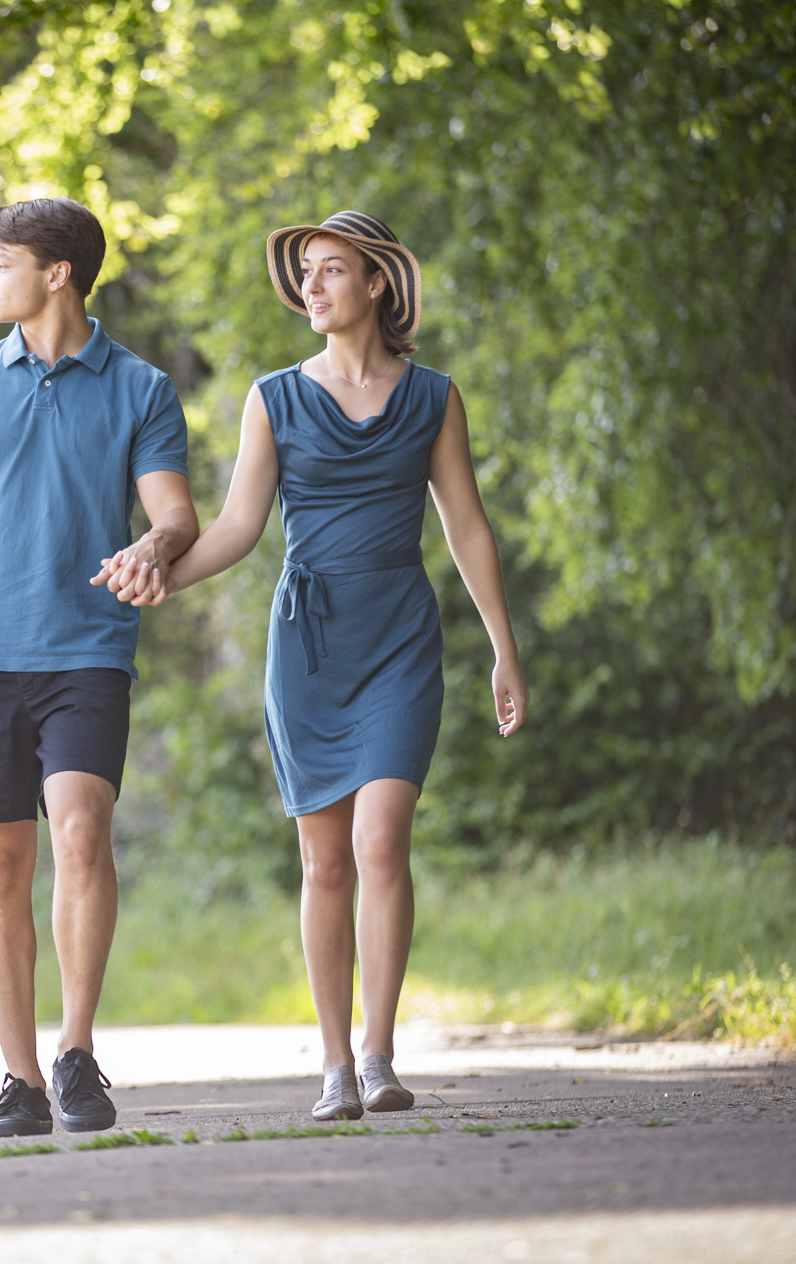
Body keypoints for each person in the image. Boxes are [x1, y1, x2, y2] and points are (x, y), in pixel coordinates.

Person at [94, 211, 526, 1121]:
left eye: (333, 271)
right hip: (311, 645)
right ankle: (334, 1065)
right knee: (325, 861)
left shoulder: (434, 396)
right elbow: (241, 528)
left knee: (381, 842)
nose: (313, 287)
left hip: (400, 637)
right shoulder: (273, 397)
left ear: (377, 283)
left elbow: (467, 526)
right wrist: (156, 569)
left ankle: (378, 1054)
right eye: (306, 274)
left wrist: (503, 648)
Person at [0, 198, 198, 1138]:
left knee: (81, 831)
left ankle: (75, 1052)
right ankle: (18, 1078)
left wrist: (154, 546)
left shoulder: (139, 387)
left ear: (57, 271)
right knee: (0, 863)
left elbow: (174, 514)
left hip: (86, 651)